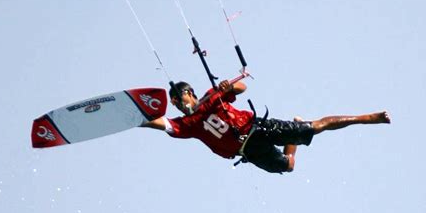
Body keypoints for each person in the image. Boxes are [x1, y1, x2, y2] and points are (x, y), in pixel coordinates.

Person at [142, 79, 390, 173]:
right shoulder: (186, 125)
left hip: (258, 128)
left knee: (316, 127)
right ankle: (295, 131)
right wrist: (138, 120)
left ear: (190, 93)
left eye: (180, 99)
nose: (178, 105)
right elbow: (162, 123)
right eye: (174, 104)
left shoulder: (211, 95)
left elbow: (242, 87)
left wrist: (228, 87)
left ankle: (368, 117)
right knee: (289, 165)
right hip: (249, 151)